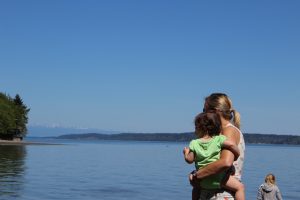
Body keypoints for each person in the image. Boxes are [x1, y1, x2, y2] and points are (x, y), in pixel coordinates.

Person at [189, 93, 246, 200]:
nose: (203, 114)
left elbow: (225, 162)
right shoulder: (216, 133)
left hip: (221, 193)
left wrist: (198, 174)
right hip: (211, 192)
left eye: (204, 110)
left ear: (215, 111)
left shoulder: (228, 130)